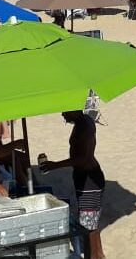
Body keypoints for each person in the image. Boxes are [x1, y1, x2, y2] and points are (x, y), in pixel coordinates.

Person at [39, 111, 106, 259]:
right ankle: (98, 254)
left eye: (65, 110)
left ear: (75, 109)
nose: (62, 114)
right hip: (86, 177)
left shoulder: (85, 127)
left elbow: (83, 158)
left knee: (89, 225)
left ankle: (95, 256)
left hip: (89, 180)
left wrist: (55, 166)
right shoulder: (83, 122)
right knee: (91, 223)